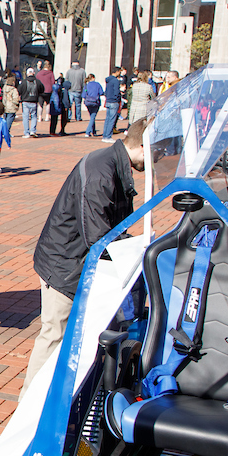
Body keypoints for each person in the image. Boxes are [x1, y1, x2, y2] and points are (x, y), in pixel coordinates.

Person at [25, 118, 147, 389]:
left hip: (73, 258)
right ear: (141, 146)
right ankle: (31, 403)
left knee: (64, 333)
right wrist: (135, 246)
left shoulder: (113, 164)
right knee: (54, 333)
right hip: (64, 264)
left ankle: (57, 396)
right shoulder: (101, 172)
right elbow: (97, 234)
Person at [102, 67, 123, 140]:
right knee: (111, 120)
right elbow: (116, 91)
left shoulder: (108, 80)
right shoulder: (115, 80)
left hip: (108, 100)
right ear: (117, 72)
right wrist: (117, 98)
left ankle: (105, 135)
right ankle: (108, 136)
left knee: (108, 119)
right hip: (114, 101)